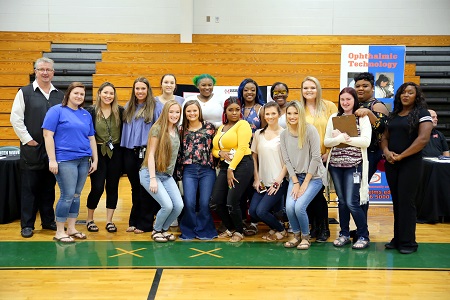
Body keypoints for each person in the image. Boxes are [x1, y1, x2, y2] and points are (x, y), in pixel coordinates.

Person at [10, 57, 64, 238]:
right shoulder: (24, 92)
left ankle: (48, 220)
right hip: (32, 149)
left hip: (53, 150)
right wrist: (27, 139)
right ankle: (27, 224)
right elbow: (16, 119)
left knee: (49, 187)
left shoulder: (60, 95)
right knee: (29, 188)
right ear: (35, 71)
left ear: (53, 72)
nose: (45, 72)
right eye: (42, 69)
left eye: (49, 69)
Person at [42, 82, 98, 243]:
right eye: (76, 93)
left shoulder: (85, 114)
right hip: (65, 160)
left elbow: (91, 138)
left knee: (76, 195)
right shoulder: (56, 111)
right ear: (68, 94)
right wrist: (52, 159)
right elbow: (48, 136)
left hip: (83, 160)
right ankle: (60, 231)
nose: (79, 96)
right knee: (67, 195)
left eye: (82, 94)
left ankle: (72, 228)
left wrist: (95, 159)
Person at [381, 82, 433, 254]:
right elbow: (385, 137)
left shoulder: (422, 114)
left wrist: (402, 155)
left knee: (407, 202)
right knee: (397, 202)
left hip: (410, 164)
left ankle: (408, 242)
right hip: (392, 163)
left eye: (410, 92)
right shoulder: (394, 115)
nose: (406, 95)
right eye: (403, 92)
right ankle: (398, 238)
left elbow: (423, 139)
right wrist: (387, 152)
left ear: (416, 96)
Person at [324, 87, 372, 249]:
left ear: (354, 101)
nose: (345, 102)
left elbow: (365, 142)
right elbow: (327, 142)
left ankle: (363, 235)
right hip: (336, 165)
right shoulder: (334, 117)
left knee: (352, 202)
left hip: (355, 165)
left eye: (348, 99)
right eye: (342, 99)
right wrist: (338, 139)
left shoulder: (362, 118)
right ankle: (344, 234)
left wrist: (346, 138)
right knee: (342, 202)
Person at [281, 101, 327, 250]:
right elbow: (286, 160)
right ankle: (296, 236)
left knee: (299, 207)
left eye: (296, 113)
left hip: (313, 177)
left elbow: (316, 157)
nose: (292, 116)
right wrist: (295, 182)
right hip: (296, 177)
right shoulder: (284, 134)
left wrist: (305, 182)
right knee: (289, 207)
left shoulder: (310, 130)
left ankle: (306, 237)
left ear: (301, 114)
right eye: (289, 113)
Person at [209, 97, 254, 243]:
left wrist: (231, 168)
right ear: (225, 111)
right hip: (224, 166)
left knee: (232, 201)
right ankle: (230, 228)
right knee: (215, 202)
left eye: (237, 109)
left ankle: (239, 232)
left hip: (242, 165)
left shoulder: (243, 124)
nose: (234, 113)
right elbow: (215, 149)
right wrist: (220, 154)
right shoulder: (221, 128)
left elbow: (242, 148)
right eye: (230, 110)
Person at [139, 100, 184, 242]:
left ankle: (163, 230)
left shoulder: (176, 129)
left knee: (178, 206)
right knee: (167, 205)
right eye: (171, 112)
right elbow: (151, 154)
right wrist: (152, 179)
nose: (174, 115)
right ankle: (156, 230)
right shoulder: (157, 128)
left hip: (167, 175)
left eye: (177, 112)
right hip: (150, 173)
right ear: (165, 112)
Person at [120, 77, 161, 233]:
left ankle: (145, 223)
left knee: (146, 188)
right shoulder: (128, 107)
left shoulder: (156, 107)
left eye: (143, 88)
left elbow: (160, 131)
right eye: (137, 88)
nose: (140, 91)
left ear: (148, 90)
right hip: (130, 152)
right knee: (134, 187)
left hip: (147, 152)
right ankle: (134, 220)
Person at [299, 76, 337, 242]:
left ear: (318, 89)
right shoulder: (299, 108)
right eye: (306, 88)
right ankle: (314, 228)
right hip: (305, 159)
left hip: (324, 157)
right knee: (310, 194)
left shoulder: (328, 106)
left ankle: (323, 229)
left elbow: (336, 130)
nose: (309, 91)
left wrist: (329, 151)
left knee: (318, 193)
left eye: (312, 88)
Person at [353, 72, 389, 240]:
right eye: (358, 86)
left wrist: (368, 112)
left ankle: (363, 231)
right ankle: (360, 228)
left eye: (365, 86)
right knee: (355, 192)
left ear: (372, 88)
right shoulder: (354, 104)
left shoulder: (377, 105)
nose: (361, 88)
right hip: (355, 153)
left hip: (371, 154)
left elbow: (382, 129)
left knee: (362, 192)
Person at [85, 82, 124, 233]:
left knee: (113, 187)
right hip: (98, 153)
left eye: (111, 93)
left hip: (116, 153)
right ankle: (89, 219)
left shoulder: (120, 111)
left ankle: (109, 221)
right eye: (105, 93)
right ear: (99, 93)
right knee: (97, 187)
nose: (108, 96)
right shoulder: (91, 111)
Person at [177, 100, 218, 240]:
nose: (192, 113)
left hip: (207, 169)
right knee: (189, 202)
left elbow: (216, 147)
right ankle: (188, 230)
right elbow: (179, 151)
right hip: (189, 170)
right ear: (185, 113)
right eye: (189, 111)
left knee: (205, 202)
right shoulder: (181, 129)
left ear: (199, 111)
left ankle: (205, 230)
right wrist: (178, 173)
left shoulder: (210, 127)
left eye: (194, 110)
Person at [249, 101, 288, 241]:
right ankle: (274, 226)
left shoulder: (285, 134)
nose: (270, 116)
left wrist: (278, 181)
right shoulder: (258, 134)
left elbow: (288, 162)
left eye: (273, 113)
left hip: (278, 182)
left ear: (279, 114)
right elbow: (254, 157)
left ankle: (281, 229)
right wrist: (256, 178)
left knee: (261, 211)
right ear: (264, 116)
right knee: (253, 211)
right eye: (267, 114)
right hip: (263, 182)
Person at [237, 78, 264, 235]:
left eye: (252, 89)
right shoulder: (237, 108)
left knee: (255, 187)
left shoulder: (260, 109)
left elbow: (264, 132)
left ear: (256, 91)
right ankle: (240, 221)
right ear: (242, 90)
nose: (249, 92)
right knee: (240, 189)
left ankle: (253, 222)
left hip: (255, 154)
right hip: (239, 155)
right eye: (246, 89)